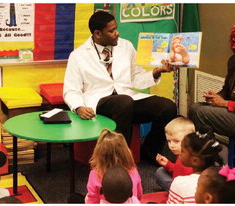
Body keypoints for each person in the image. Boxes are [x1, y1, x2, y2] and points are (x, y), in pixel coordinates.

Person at [63, 11, 178, 163]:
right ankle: (118, 160)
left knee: (167, 107)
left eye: (116, 28)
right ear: (97, 33)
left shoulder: (126, 46)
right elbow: (71, 89)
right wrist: (78, 107)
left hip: (128, 100)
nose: (117, 33)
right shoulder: (78, 55)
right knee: (123, 102)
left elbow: (136, 78)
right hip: (99, 102)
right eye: (111, 31)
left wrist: (157, 71)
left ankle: (149, 151)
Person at [167, 128, 224, 204]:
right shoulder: (222, 181)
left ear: (195, 161)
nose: (180, 152)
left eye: (183, 151)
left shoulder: (179, 182)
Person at [86, 129, 143, 204]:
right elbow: (139, 195)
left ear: (99, 153)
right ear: (126, 152)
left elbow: (92, 201)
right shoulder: (133, 171)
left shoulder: (95, 174)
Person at [155, 117, 196, 191]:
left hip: (186, 190)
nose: (171, 145)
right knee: (160, 171)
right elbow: (178, 170)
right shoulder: (181, 153)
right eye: (169, 141)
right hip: (179, 181)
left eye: (176, 141)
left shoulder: (191, 160)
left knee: (161, 174)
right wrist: (167, 164)